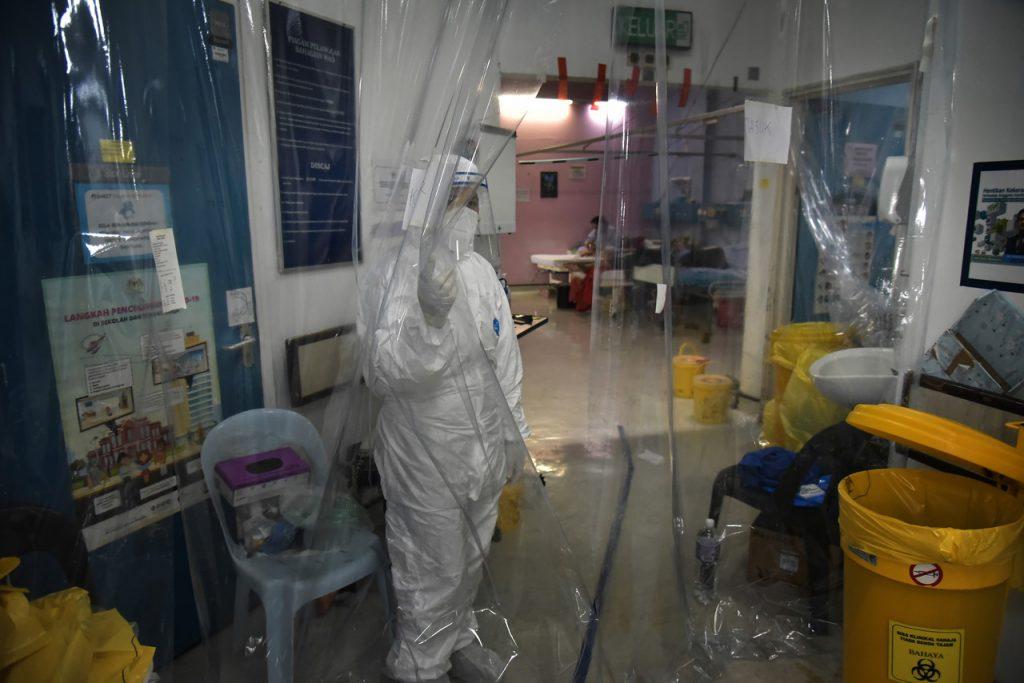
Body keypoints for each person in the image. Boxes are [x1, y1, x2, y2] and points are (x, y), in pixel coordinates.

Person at [360, 156, 529, 682]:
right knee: (431, 565)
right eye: (460, 197)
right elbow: (384, 372)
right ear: (430, 202)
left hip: (477, 449)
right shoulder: (391, 274)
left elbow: (506, 359)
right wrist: (428, 321)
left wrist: (513, 433)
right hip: (423, 454)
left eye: (475, 197)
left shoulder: (479, 272)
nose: (470, 209)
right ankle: (420, 665)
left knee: (472, 558)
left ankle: (454, 636)